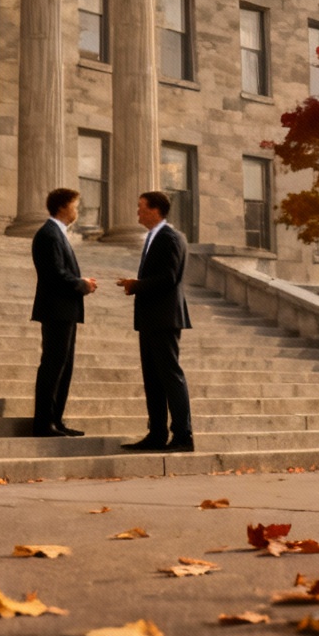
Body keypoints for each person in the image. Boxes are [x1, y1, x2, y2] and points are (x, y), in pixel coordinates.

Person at [116, 190, 193, 452]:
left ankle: (182, 435)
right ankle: (157, 433)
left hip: (164, 317)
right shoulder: (153, 237)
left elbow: (170, 277)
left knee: (170, 376)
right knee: (153, 378)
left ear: (155, 209)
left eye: (141, 207)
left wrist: (137, 284)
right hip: (151, 318)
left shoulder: (170, 237)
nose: (137, 212)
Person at [29, 187, 96, 438]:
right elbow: (54, 274)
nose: (77, 210)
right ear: (63, 207)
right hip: (55, 309)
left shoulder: (58, 234)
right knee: (53, 366)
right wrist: (82, 284)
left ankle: (56, 420)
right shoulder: (48, 234)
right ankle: (44, 423)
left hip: (64, 310)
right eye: (75, 205)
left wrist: (80, 282)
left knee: (64, 366)